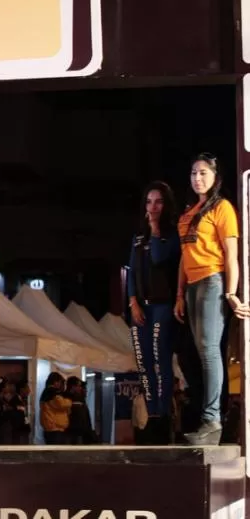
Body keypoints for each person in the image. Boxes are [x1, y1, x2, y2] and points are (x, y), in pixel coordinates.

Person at [174, 153, 250, 445]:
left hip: (213, 280)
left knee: (209, 351)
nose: (197, 178)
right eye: (193, 173)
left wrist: (232, 292)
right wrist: (180, 294)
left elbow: (232, 254)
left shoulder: (223, 208)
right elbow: (184, 257)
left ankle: (213, 420)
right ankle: (209, 420)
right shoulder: (188, 214)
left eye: (203, 173)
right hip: (193, 286)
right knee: (200, 352)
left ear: (215, 177)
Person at [126, 181, 180, 444]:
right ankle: (152, 414)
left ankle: (162, 414)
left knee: (160, 359)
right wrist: (133, 301)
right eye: (149, 201)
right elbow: (130, 273)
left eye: (158, 201)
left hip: (164, 304)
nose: (153, 207)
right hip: (141, 306)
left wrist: (156, 228)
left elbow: (159, 258)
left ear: (165, 204)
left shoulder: (170, 234)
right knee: (143, 363)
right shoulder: (137, 237)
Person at [39, 372, 72, 444]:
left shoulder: (46, 392)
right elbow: (62, 404)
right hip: (55, 428)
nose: (61, 385)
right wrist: (69, 400)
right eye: (60, 382)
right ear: (55, 382)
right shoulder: (53, 392)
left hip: (51, 427)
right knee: (56, 453)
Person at [65, 376, 98, 444]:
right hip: (72, 431)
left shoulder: (80, 399)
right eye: (79, 386)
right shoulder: (67, 398)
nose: (81, 389)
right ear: (73, 386)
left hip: (80, 431)